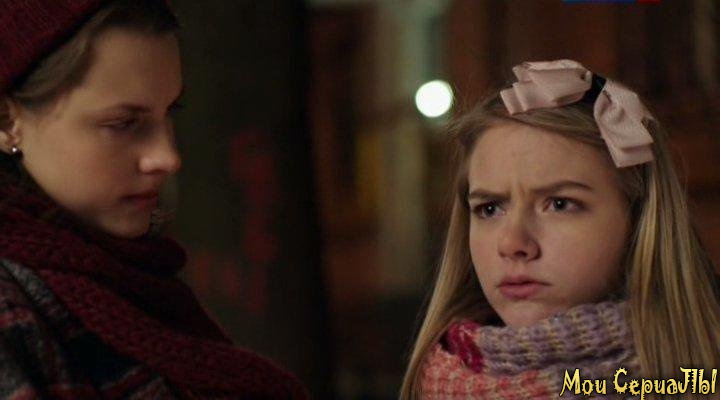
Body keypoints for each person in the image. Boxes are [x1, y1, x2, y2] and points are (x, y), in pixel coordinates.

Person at [0, 0, 306, 398]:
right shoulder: (14, 306)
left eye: (170, 112)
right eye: (123, 123)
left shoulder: (137, 284)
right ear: (7, 122)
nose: (167, 157)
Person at [400, 59, 720, 399]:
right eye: (489, 208)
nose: (512, 243)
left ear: (639, 217)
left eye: (560, 204)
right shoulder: (435, 384)